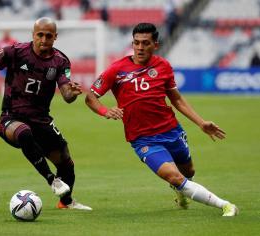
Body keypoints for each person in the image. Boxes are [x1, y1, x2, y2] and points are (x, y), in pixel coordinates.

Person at [85, 22, 238, 216]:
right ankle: (225, 205)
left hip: (171, 130)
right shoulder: (116, 70)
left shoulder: (163, 66)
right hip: (143, 139)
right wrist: (105, 111)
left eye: (145, 43)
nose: (140, 47)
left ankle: (180, 190)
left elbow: (177, 99)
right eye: (136, 42)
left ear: (155, 44)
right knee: (174, 177)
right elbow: (90, 98)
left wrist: (201, 123)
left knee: (188, 172)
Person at [0, 17, 92, 210]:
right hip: (10, 118)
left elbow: (66, 94)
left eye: (49, 36)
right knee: (24, 132)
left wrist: (72, 93)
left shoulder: (60, 61)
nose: (44, 39)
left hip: (41, 120)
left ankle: (66, 202)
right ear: (33, 35)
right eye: (40, 35)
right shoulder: (15, 52)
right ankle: (51, 180)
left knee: (66, 163)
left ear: (55, 37)